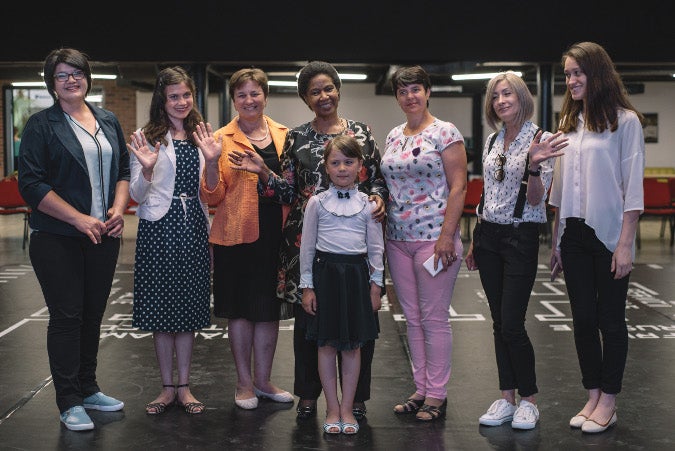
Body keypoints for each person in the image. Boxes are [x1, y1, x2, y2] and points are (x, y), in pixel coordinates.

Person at [226, 60, 388, 421]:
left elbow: (376, 180)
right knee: (310, 325)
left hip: (355, 244)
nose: (323, 96)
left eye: (328, 88)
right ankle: (310, 395)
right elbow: (287, 190)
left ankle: (356, 398)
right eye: (314, 91)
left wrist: (378, 199)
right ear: (305, 98)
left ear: (338, 89)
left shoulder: (361, 133)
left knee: (359, 325)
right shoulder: (296, 137)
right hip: (305, 243)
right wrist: (263, 171)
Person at [17, 47, 129, 431]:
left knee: (93, 316)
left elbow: (124, 170)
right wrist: (79, 218)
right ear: (51, 83)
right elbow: (31, 185)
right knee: (67, 317)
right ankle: (68, 401)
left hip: (103, 235)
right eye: (62, 75)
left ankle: (88, 387)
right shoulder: (41, 125)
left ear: (87, 77)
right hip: (57, 238)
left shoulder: (107, 119)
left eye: (77, 73)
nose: (70, 80)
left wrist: (117, 209)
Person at [549, 41, 645, 434]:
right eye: (568, 74)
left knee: (610, 320)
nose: (571, 80)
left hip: (608, 235)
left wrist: (625, 244)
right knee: (583, 320)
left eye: (577, 72)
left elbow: (633, 190)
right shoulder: (568, 126)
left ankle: (609, 399)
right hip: (572, 233)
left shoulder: (626, 121)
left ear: (597, 73)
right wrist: (555, 242)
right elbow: (558, 191)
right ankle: (592, 394)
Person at [464, 71, 568, 429]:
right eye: (495, 96)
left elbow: (539, 200)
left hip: (520, 237)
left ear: (522, 97)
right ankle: (506, 397)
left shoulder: (542, 139)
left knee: (512, 323)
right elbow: (489, 192)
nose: (501, 101)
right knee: (498, 323)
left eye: (507, 94)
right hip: (488, 235)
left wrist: (535, 166)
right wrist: (476, 239)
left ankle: (529, 400)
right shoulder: (494, 139)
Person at [193, 68, 293, 410]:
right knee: (240, 311)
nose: (249, 100)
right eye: (242, 95)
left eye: (255, 93)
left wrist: (264, 170)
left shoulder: (284, 135)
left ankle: (264, 381)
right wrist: (209, 163)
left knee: (268, 310)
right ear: (233, 100)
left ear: (265, 95)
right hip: (235, 234)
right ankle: (243, 383)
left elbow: (293, 187)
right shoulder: (219, 138)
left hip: (277, 232)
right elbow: (212, 197)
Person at [381, 65, 466, 421]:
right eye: (402, 91)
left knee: (433, 319)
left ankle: (437, 394)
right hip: (397, 239)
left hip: (434, 239)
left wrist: (448, 235)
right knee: (411, 319)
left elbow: (459, 186)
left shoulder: (445, 132)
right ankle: (421, 388)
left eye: (416, 89)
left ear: (428, 92)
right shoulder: (393, 135)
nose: (410, 96)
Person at [127, 67, 211, 415]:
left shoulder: (201, 134)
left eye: (186, 95)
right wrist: (146, 169)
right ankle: (166, 387)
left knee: (189, 310)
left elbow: (211, 188)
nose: (181, 102)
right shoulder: (144, 137)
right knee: (161, 311)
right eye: (174, 96)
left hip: (193, 225)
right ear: (162, 100)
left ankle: (184, 387)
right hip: (158, 228)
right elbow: (135, 192)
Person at [299, 134, 384, 434]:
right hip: (325, 278)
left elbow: (375, 248)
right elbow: (307, 248)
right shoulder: (316, 203)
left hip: (356, 278)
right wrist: (307, 286)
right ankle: (332, 408)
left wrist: (377, 285)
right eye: (335, 163)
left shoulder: (368, 205)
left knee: (352, 347)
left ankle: (348, 407)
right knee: (326, 345)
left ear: (360, 166)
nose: (342, 168)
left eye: (349, 162)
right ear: (326, 166)